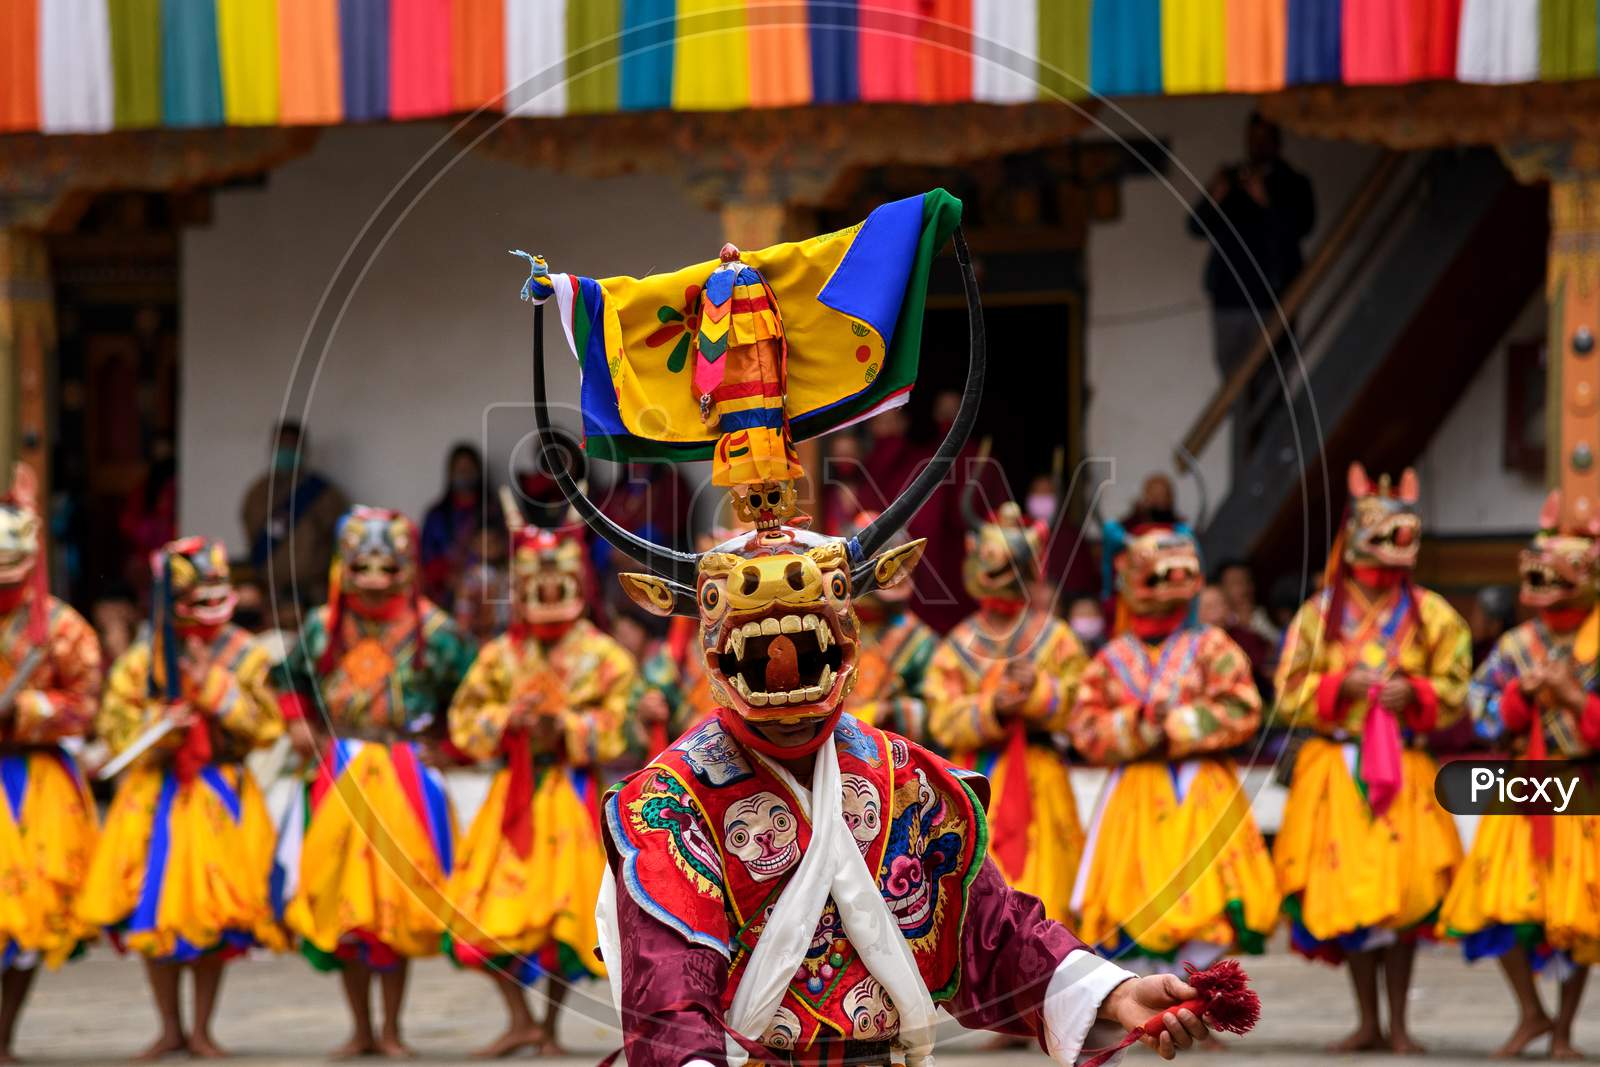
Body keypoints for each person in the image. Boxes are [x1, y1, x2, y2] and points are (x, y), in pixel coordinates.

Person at [524, 203, 1217, 1066]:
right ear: (710, 641)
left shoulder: (906, 781)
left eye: (809, 628)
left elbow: (994, 934)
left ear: (848, 628)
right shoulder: (669, 805)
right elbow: (670, 992)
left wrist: (1113, 989)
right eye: (757, 631)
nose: (784, 653)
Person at [1272, 464, 1471, 1054]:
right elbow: (1286, 690)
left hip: (1405, 765)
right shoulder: (1319, 613)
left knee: (1403, 893)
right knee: (1350, 893)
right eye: (1386, 533)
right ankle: (1367, 1021)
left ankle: (1402, 1024)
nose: (1398, 546)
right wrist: (1339, 688)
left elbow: (1459, 687)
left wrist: (1421, 694)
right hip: (1338, 766)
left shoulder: (1433, 613)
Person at [275, 506, 475, 1059]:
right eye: (363, 565)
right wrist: (298, 723)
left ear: (407, 566)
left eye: (387, 566)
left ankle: (392, 1028)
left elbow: (472, 689)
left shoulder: (435, 630)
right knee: (344, 899)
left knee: (395, 901)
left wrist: (450, 744)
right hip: (339, 766)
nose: (374, 578)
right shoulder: (323, 625)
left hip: (405, 767)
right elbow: (286, 679)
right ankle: (360, 1027)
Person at [79, 537, 284, 1060]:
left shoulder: (246, 655)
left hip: (218, 790)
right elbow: (114, 727)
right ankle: (169, 1026)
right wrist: (160, 725)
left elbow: (266, 727)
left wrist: (215, 690)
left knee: (214, 914)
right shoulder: (141, 661)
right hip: (155, 794)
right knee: (153, 913)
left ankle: (203, 1029)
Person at [444, 505, 637, 1058]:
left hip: (574, 794)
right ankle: (521, 1020)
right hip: (516, 796)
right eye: (537, 584)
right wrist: (509, 721)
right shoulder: (500, 655)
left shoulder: (602, 654)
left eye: (560, 583)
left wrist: (569, 727)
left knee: (566, 916)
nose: (549, 593)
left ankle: (550, 1029)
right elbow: (464, 718)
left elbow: (618, 724)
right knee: (489, 910)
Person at [1069, 523, 1276, 972]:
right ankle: (1151, 1003)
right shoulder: (1112, 657)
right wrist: (1140, 723)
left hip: (1201, 784)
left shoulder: (1212, 645)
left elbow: (1244, 708)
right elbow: (1084, 727)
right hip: (1135, 790)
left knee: (1210, 894)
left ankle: (1200, 999)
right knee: (1135, 893)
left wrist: (1180, 722)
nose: (1171, 586)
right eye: (1160, 576)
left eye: (1182, 574)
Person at [1439, 491, 1600, 1059]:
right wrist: (1515, 701)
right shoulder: (1515, 645)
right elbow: (1479, 712)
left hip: (1582, 785)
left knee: (1577, 914)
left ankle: (1564, 1030)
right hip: (1521, 785)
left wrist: (1576, 701)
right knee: (1500, 904)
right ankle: (1532, 1012)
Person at [926, 491, 1087, 923]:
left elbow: (1084, 708)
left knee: (1049, 889)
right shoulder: (957, 645)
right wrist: (991, 708)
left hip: (1041, 778)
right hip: (974, 781)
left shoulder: (1056, 638)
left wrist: (1040, 692)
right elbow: (940, 720)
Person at [0, 464, 102, 1063]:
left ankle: (5, 1036)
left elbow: (86, 704)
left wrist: (32, 710)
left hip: (33, 779)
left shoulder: (62, 628)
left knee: (30, 918)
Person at [1186, 112, 1315, 466]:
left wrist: (1265, 200)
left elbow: (1301, 228)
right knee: (1236, 387)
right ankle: (1245, 462)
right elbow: (1194, 227)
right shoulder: (1231, 178)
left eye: (1264, 138)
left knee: (1272, 384)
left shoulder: (1293, 184)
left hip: (1271, 298)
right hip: (1229, 299)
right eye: (1252, 138)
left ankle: (1275, 461)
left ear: (1277, 141)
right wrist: (1215, 193)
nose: (1257, 146)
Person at [840, 511, 939, 743]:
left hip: (894, 754)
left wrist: (893, 711)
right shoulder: (833, 629)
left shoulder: (920, 640)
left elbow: (937, 707)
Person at [240, 420, 348, 617]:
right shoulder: (258, 494)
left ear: (303, 450)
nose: (286, 451)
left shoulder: (325, 495)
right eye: (282, 446)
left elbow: (341, 541)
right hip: (271, 599)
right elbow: (252, 540)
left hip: (315, 598)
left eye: (292, 446)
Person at [420, 442, 502, 610]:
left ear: (479, 471)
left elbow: (505, 550)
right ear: (450, 473)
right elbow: (425, 557)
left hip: (487, 593)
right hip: (445, 596)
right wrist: (448, 576)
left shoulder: (493, 510)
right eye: (459, 469)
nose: (465, 474)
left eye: (469, 468)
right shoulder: (437, 514)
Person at [1215, 559, 1281, 647]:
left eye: (1247, 581)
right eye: (1236, 583)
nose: (1244, 589)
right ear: (1221, 589)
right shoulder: (1218, 622)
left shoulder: (1266, 616)